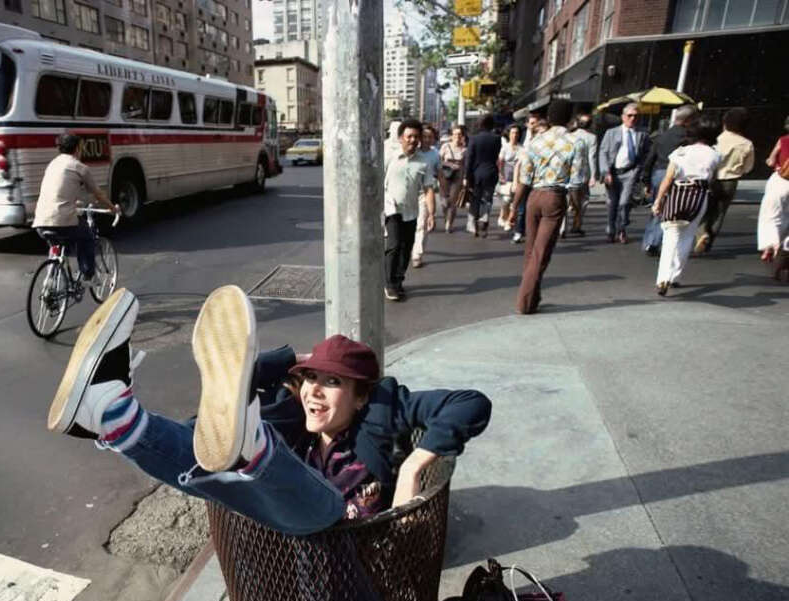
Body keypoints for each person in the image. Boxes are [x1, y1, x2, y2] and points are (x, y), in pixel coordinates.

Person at [46, 285, 492, 534]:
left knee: (319, 506)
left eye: (333, 383)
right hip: (289, 542)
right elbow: (242, 379)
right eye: (311, 379)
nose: (314, 392)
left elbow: (470, 403)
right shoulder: (294, 412)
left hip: (362, 550)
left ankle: (249, 452)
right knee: (212, 458)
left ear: (360, 396)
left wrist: (414, 466)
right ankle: (114, 416)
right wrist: (296, 362)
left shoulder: (380, 409)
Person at [509, 99, 584, 314]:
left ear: (548, 118)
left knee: (531, 250)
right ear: (571, 119)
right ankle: (524, 302)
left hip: (533, 197)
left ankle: (533, 297)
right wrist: (577, 210)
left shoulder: (535, 142)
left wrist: (514, 207)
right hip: (555, 197)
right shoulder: (575, 142)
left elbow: (524, 177)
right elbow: (577, 181)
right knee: (541, 253)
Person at [32, 133, 119, 282]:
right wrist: (113, 208)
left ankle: (51, 280)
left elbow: (59, 192)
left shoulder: (52, 164)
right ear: (78, 147)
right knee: (86, 237)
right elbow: (98, 194)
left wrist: (75, 203)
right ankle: (87, 276)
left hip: (40, 220)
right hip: (63, 221)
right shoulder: (79, 167)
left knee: (56, 245)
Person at [650, 123, 721, 296]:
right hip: (699, 195)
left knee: (670, 237)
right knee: (688, 236)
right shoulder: (715, 154)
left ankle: (662, 278)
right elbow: (713, 178)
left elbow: (668, 179)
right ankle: (675, 276)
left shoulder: (680, 152)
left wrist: (658, 200)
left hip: (678, 193)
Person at [384, 119, 436, 301]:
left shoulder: (424, 162)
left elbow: (429, 188)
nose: (413, 140)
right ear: (401, 138)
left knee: (407, 248)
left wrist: (431, 213)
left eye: (416, 136)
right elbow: (377, 182)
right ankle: (389, 284)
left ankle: (398, 281)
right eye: (409, 136)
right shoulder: (389, 156)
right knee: (394, 245)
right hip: (392, 207)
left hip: (412, 210)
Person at [695, 107, 755, 254]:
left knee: (704, 209)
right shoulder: (747, 144)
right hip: (731, 180)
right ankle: (709, 241)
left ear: (725, 122)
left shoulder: (717, 139)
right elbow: (748, 168)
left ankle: (701, 232)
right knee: (720, 212)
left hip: (712, 177)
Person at [641, 104, 699, 254]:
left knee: (656, 207)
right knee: (669, 210)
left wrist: (646, 180)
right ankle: (656, 242)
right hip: (675, 175)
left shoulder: (661, 135)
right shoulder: (688, 138)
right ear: (688, 120)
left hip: (658, 173)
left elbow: (650, 159)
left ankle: (649, 240)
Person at [599, 103, 650, 244]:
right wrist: (605, 171)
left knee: (625, 203)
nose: (632, 118)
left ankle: (621, 229)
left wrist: (639, 170)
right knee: (612, 203)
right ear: (623, 117)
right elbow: (603, 152)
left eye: (636, 116)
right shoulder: (611, 133)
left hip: (630, 172)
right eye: (629, 115)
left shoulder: (642, 134)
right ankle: (611, 229)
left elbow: (646, 153)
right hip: (613, 172)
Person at [757, 115, 789, 280]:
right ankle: (784, 247)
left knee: (771, 215)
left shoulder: (783, 140)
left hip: (781, 181)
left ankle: (771, 244)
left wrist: (776, 164)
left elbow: (770, 160)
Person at [464, 114, 502, 238]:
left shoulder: (474, 139)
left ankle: (473, 224)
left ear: (480, 124)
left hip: (476, 174)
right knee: (487, 198)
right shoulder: (497, 139)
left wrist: (466, 175)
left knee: (475, 198)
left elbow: (469, 159)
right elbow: (496, 156)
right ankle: (484, 220)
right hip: (491, 172)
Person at [410, 124, 443, 268]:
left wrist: (443, 189)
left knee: (422, 224)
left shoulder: (435, 154)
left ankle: (417, 254)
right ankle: (409, 248)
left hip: (425, 192)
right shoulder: (412, 152)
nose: (427, 139)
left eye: (430, 137)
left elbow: (439, 171)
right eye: (424, 136)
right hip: (410, 192)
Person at [512, 112, 544, 245]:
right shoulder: (526, 139)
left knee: (537, 207)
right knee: (522, 207)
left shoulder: (543, 139)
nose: (533, 126)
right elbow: (520, 162)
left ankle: (533, 232)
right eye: (531, 123)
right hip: (525, 178)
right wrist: (515, 181)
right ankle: (519, 231)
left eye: (535, 123)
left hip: (539, 179)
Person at [564, 113, 598, 238]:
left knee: (566, 200)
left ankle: (562, 228)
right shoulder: (591, 138)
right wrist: (593, 175)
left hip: (566, 173)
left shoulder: (567, 136)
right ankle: (576, 225)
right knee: (583, 201)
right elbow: (592, 157)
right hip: (582, 174)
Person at [439, 125, 467, 233]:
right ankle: (446, 217)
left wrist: (465, 178)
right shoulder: (445, 146)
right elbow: (439, 161)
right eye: (455, 134)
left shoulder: (465, 149)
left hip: (458, 177)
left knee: (452, 201)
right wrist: (450, 164)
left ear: (462, 136)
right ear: (452, 135)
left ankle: (449, 224)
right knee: (444, 202)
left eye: (459, 134)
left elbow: (465, 165)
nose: (457, 136)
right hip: (444, 176)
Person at [496, 125, 522, 231]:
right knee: (506, 200)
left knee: (514, 202)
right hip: (506, 177)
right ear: (509, 134)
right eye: (512, 132)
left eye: (516, 133)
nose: (514, 135)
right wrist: (501, 174)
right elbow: (500, 161)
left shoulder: (522, 148)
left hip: (518, 178)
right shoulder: (505, 147)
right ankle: (503, 216)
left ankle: (508, 221)